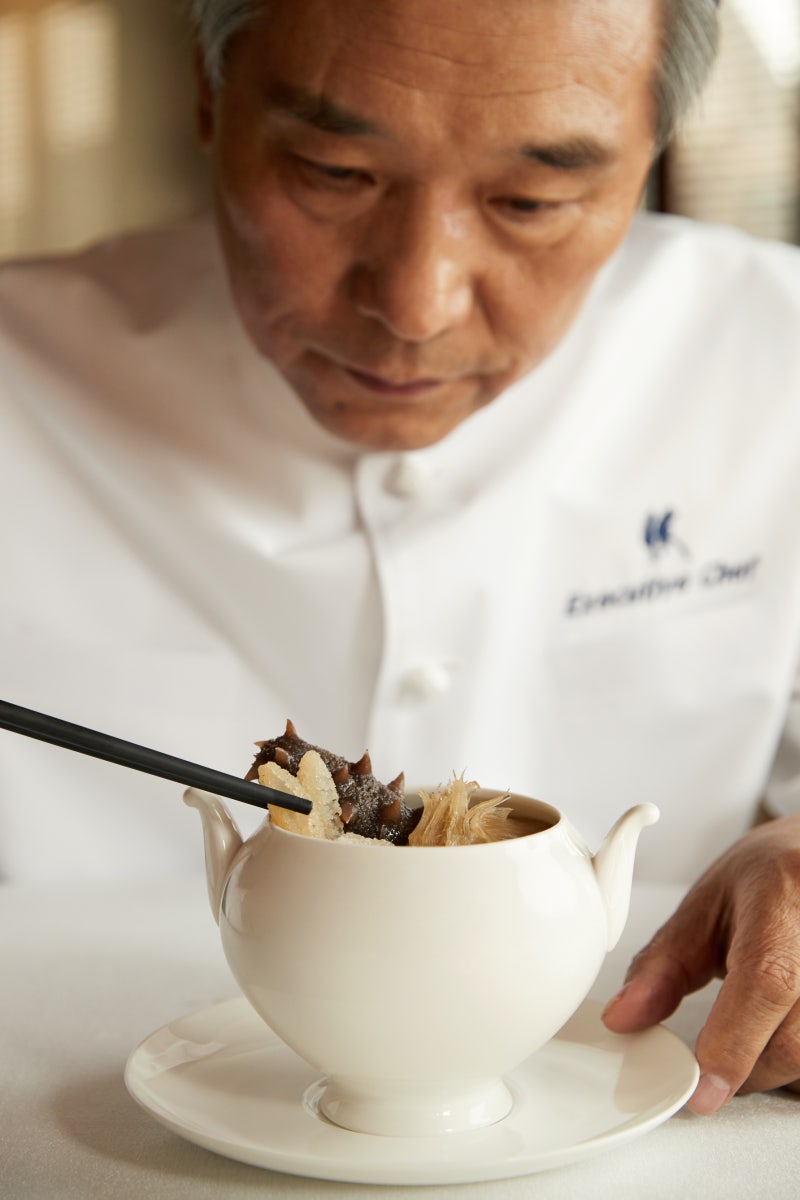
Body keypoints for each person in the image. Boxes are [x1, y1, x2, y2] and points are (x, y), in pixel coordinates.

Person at [2, 0, 800, 1116]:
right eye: (335, 173)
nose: (417, 303)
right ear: (207, 96)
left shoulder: (776, 349)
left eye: (530, 201)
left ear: (648, 154)